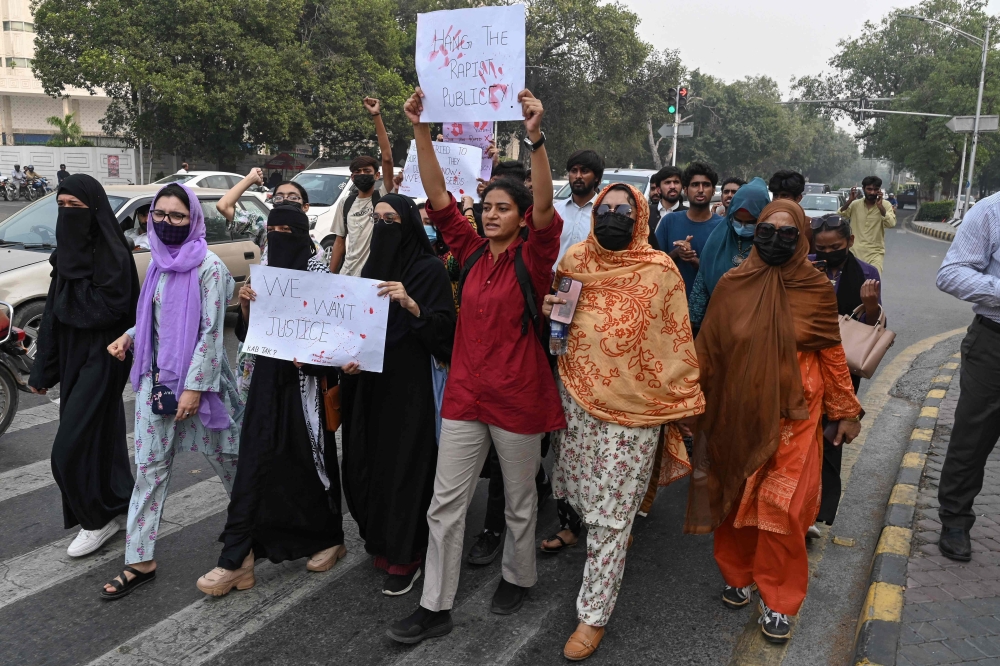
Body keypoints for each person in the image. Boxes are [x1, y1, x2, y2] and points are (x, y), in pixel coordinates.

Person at [387, 86, 565, 644]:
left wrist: (535, 137)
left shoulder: (534, 258)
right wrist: (420, 128)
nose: (490, 215)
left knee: (517, 500)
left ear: (520, 218)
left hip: (518, 401)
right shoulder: (466, 251)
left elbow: (544, 208)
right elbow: (438, 196)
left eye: (501, 208)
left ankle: (518, 574)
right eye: (485, 207)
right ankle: (434, 606)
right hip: (465, 397)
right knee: (446, 506)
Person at [685, 200, 863, 645]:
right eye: (768, 230)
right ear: (755, 232)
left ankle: (780, 598)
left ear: (802, 236)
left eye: (788, 232)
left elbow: (831, 352)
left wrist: (845, 411)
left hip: (796, 415)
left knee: (781, 510)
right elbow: (710, 349)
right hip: (737, 410)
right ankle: (737, 574)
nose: (777, 239)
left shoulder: (816, 287)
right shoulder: (733, 282)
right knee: (735, 491)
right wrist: (693, 405)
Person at [547, 182, 705, 660]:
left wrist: (681, 402)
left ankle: (592, 616)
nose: (613, 216)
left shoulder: (660, 271)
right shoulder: (575, 260)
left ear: (639, 217)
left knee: (612, 516)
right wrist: (550, 314)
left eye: (623, 210)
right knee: (575, 489)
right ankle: (609, 533)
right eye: (605, 209)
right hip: (575, 399)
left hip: (636, 411)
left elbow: (677, 339)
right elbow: (559, 322)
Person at [100, 183, 244, 599]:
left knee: (230, 463)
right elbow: (158, 319)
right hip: (158, 383)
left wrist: (194, 389)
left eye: (177, 216)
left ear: (193, 218)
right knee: (148, 469)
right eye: (158, 215)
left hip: (203, 387)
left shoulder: (210, 268)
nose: (165, 223)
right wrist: (130, 336)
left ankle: (250, 538)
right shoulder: (159, 263)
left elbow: (210, 334)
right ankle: (140, 558)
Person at [197, 203, 346, 595]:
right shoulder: (266, 274)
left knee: (306, 463)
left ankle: (328, 537)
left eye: (289, 230)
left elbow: (336, 340)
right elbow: (249, 336)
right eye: (273, 229)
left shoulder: (320, 276)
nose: (280, 237)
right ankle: (239, 555)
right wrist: (246, 306)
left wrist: (312, 360)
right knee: (255, 461)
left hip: (305, 387)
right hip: (265, 382)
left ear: (303, 235)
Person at [340, 193, 457, 596]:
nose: (382, 225)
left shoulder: (429, 271)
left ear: (408, 223)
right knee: (372, 462)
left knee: (407, 467)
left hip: (411, 390)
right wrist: (345, 360)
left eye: (391, 219)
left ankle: (407, 553)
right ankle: (381, 539)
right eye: (377, 219)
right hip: (371, 387)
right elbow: (351, 329)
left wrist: (411, 305)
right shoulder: (370, 269)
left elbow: (445, 334)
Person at [27, 174, 140, 558]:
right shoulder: (65, 257)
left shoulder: (115, 254)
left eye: (75, 207)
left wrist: (66, 299)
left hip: (107, 356)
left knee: (68, 449)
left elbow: (114, 309)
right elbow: (54, 318)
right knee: (102, 436)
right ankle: (119, 504)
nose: (67, 213)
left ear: (94, 208)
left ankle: (95, 519)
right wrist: (43, 370)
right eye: (61, 206)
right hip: (76, 357)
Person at [933, 194, 1000, 561]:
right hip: (994, 344)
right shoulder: (991, 211)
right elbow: (951, 273)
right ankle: (955, 519)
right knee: (974, 435)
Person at [808, 213, 881, 535]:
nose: (826, 254)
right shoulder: (803, 265)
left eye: (834, 247)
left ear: (849, 242)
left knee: (831, 434)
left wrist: (871, 305)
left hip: (843, 368)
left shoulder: (867, 272)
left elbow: (873, 328)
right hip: (805, 361)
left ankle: (816, 512)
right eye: (820, 248)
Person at [688, 177, 772, 330]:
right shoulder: (718, 237)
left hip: (756, 329)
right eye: (738, 221)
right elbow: (702, 284)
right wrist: (692, 325)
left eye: (751, 223)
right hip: (716, 325)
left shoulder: (772, 245)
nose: (743, 226)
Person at [329, 97, 396, 275]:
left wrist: (376, 115)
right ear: (352, 177)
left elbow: (387, 158)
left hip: (375, 278)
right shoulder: (346, 204)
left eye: (366, 171)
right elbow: (339, 242)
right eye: (357, 172)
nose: (362, 175)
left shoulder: (383, 197)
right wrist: (330, 277)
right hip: (348, 276)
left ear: (377, 175)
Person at [655, 162, 723, 296]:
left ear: (714, 190)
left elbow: (724, 273)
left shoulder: (723, 227)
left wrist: (694, 260)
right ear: (685, 190)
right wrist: (677, 253)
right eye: (695, 185)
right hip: (670, 303)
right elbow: (653, 265)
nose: (701, 189)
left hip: (709, 307)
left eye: (706, 185)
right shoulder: (669, 221)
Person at [554, 150, 603, 269]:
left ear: (596, 177)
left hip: (591, 284)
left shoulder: (604, 213)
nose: (578, 176)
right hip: (554, 283)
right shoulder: (555, 211)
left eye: (584, 171)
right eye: (574, 170)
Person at [839, 176, 896, 272]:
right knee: (853, 284)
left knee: (873, 283)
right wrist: (849, 201)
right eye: (869, 189)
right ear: (863, 189)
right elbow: (840, 216)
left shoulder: (885, 205)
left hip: (875, 253)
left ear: (879, 190)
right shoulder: (855, 204)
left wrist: (880, 207)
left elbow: (891, 223)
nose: (872, 192)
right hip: (854, 252)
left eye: (875, 189)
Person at [649, 166, 685, 234]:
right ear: (658, 189)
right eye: (667, 182)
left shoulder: (688, 214)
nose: (672, 186)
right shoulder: (646, 212)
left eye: (676, 182)